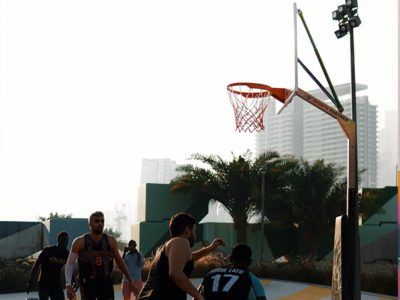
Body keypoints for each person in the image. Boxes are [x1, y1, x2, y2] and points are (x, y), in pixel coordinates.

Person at [138, 212, 226, 300]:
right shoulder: (181, 241)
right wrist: (199, 296)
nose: (195, 235)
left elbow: (186, 260)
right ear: (187, 230)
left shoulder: (166, 246)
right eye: (194, 231)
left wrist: (209, 248)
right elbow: (175, 273)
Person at [64, 211, 137, 300]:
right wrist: (68, 285)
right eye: (97, 221)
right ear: (90, 224)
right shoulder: (79, 242)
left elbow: (119, 260)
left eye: (102, 221)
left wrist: (130, 280)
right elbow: (70, 264)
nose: (100, 224)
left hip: (106, 282)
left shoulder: (111, 241)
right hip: (88, 283)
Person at [199, 243, 267, 300]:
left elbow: (196, 296)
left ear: (230, 259)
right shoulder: (250, 278)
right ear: (249, 262)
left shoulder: (210, 274)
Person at [26, 231, 70, 300]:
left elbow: (69, 268)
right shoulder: (48, 250)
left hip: (56, 284)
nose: (65, 242)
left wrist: (73, 281)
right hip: (44, 283)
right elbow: (36, 265)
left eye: (66, 240)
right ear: (58, 240)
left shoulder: (67, 254)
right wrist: (30, 281)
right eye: (63, 240)